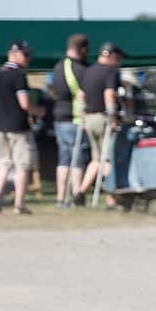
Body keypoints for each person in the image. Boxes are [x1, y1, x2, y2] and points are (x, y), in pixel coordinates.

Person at [0, 39, 35, 213]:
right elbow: (25, 104)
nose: (28, 58)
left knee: (3, 164)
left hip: (0, 126)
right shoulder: (19, 75)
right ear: (15, 54)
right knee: (22, 166)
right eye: (26, 55)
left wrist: (2, 104)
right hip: (19, 126)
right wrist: (39, 111)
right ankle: (19, 205)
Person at [77, 42, 125, 202]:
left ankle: (81, 191)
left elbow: (80, 95)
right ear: (111, 56)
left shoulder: (88, 71)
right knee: (108, 159)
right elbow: (109, 95)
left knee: (97, 159)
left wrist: (82, 115)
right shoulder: (110, 71)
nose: (118, 62)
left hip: (89, 118)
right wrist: (113, 119)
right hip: (103, 118)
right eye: (117, 58)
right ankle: (114, 196)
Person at [49, 34, 89, 206]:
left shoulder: (57, 67)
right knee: (77, 160)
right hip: (74, 119)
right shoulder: (79, 69)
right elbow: (81, 94)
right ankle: (76, 194)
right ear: (82, 49)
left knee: (63, 159)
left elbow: (50, 90)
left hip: (58, 117)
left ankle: (60, 198)